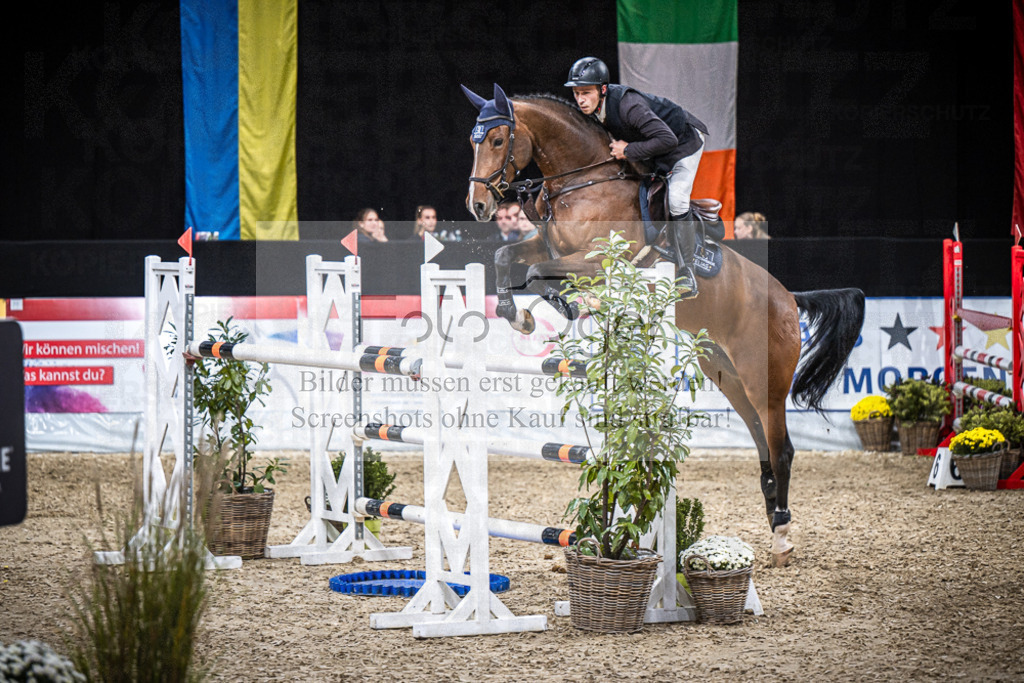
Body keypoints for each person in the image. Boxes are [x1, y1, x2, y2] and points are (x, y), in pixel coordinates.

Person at [564, 56, 709, 298]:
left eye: (586, 93)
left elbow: (668, 140)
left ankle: (688, 273)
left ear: (602, 90)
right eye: (576, 93)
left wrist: (629, 150)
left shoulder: (629, 105)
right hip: (654, 146)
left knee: (677, 200)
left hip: (684, 141)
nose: (580, 100)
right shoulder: (592, 110)